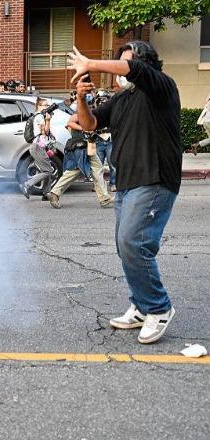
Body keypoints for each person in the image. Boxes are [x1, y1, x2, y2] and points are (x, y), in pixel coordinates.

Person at [69, 41, 181, 344]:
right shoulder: (121, 100)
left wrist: (91, 63)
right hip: (127, 182)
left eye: (126, 62)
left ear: (145, 64)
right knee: (126, 246)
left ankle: (159, 308)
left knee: (134, 243)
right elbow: (89, 123)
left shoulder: (161, 87)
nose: (120, 69)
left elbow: (135, 70)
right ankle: (142, 306)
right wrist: (81, 98)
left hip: (154, 178)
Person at [43, 116, 113, 209]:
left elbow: (69, 126)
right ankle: (104, 198)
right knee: (79, 170)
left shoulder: (89, 112)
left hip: (87, 145)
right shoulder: (81, 112)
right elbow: (69, 123)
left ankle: (104, 198)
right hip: (80, 147)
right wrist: (83, 130)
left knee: (94, 169)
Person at [20, 97, 56, 198]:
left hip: (39, 146)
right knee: (48, 171)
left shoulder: (39, 116)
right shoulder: (39, 117)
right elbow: (45, 132)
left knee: (47, 169)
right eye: (45, 105)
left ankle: (46, 193)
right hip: (37, 147)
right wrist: (48, 120)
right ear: (39, 106)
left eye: (48, 105)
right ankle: (26, 184)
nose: (47, 107)